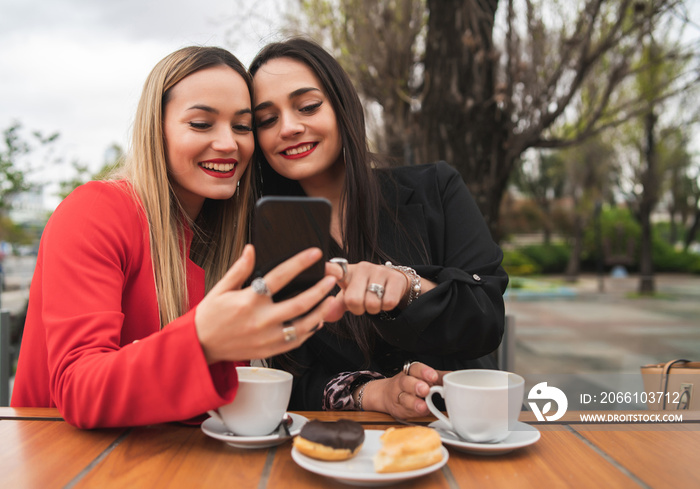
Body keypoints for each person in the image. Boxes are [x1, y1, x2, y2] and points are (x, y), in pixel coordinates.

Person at [11, 46, 337, 429]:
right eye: (201, 124)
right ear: (156, 129)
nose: (229, 143)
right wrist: (201, 341)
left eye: (242, 126)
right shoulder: (95, 211)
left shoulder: (232, 239)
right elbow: (78, 388)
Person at [249, 38, 509, 419]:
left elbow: (485, 318)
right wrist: (374, 394)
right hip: (341, 451)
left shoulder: (436, 188)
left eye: (307, 106)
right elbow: (291, 378)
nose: (288, 127)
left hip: (469, 432)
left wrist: (406, 286)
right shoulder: (264, 238)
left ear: (342, 107)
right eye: (266, 120)